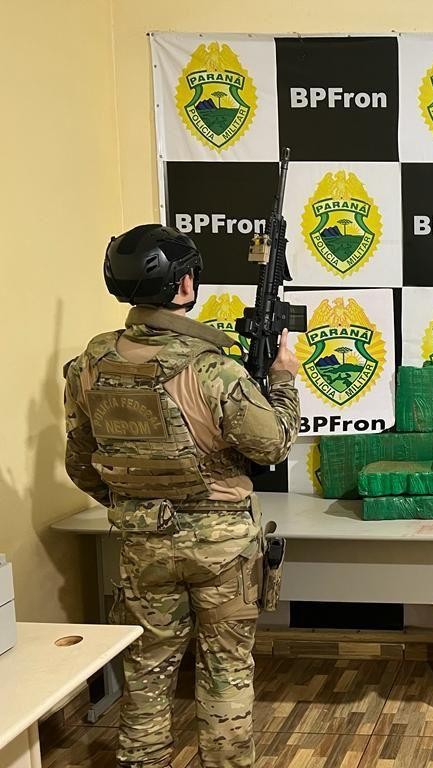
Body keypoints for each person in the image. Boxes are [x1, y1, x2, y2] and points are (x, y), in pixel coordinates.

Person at [63, 224, 300, 768]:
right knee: (226, 672)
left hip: (142, 544)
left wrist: (137, 503)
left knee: (145, 670)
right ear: (186, 283)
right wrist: (284, 380)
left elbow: (81, 465)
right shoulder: (211, 367)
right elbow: (272, 444)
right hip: (222, 550)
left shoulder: (90, 364)